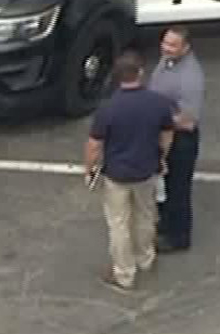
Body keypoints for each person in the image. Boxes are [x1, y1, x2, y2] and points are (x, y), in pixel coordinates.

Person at [84, 51, 176, 292]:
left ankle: (124, 274)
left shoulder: (108, 108)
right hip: (146, 170)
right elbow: (167, 134)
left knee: (119, 224)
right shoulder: (157, 103)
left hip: (117, 174)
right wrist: (161, 156)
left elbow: (94, 145)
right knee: (146, 215)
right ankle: (146, 258)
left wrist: (89, 169)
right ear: (140, 73)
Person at [149, 25, 204, 253]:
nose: (166, 48)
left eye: (172, 45)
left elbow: (188, 121)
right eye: (165, 42)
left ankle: (179, 237)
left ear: (186, 48)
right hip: (162, 133)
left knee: (178, 189)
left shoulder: (190, 77)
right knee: (163, 185)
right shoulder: (167, 62)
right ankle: (166, 224)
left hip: (181, 140)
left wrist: (159, 118)